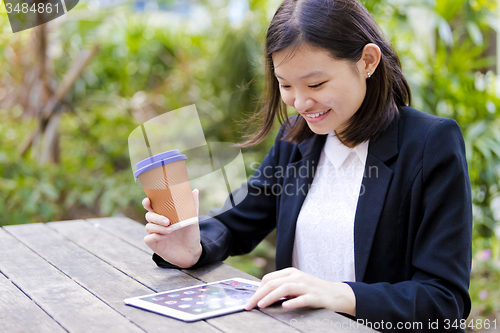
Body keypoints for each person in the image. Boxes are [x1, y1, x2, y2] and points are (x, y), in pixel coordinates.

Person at [142, 0, 473, 331]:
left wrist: (339, 295)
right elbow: (237, 221)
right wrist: (192, 246)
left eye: (316, 84)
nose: (300, 103)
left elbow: (444, 301)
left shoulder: (429, 144)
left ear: (368, 61)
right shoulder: (296, 141)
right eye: (286, 85)